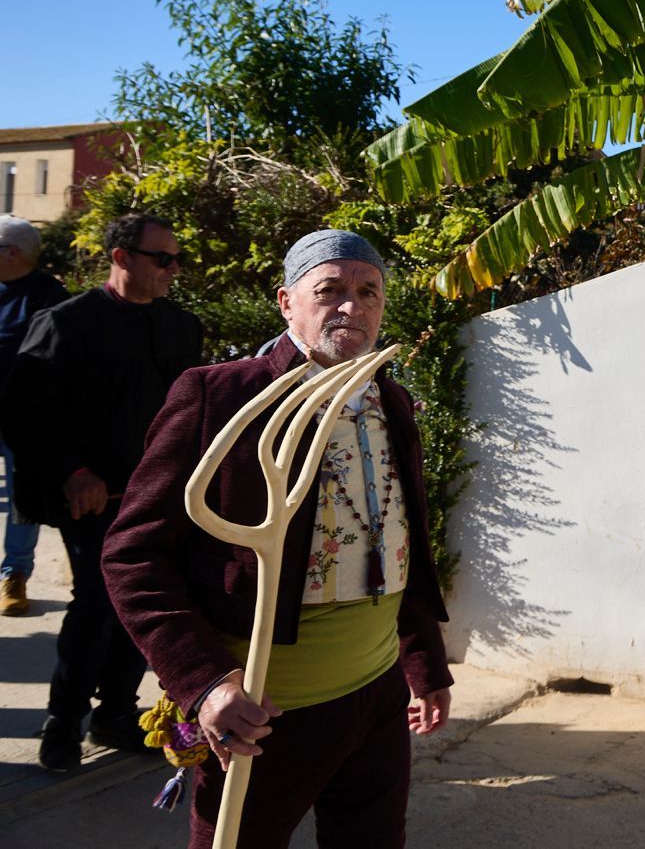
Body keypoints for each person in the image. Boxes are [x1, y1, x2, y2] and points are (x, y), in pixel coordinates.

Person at [103, 229, 452, 849]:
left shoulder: (390, 401)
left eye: (368, 292)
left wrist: (423, 667)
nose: (352, 306)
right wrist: (204, 683)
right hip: (263, 708)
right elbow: (134, 554)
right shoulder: (219, 396)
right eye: (330, 290)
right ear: (287, 301)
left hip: (375, 697)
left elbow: (402, 539)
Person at [2, 212, 202, 770]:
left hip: (159, 495)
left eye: (175, 258)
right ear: (121, 258)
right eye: (162, 258)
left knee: (143, 604)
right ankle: (62, 722)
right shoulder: (66, 323)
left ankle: (116, 713)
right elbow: (22, 411)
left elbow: (189, 413)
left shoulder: (183, 327)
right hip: (90, 498)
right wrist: (72, 471)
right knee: (96, 602)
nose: (173, 269)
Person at [0, 215, 71, 616]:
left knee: (21, 501)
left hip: (22, 416)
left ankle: (14, 574)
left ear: (13, 253)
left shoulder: (48, 296)